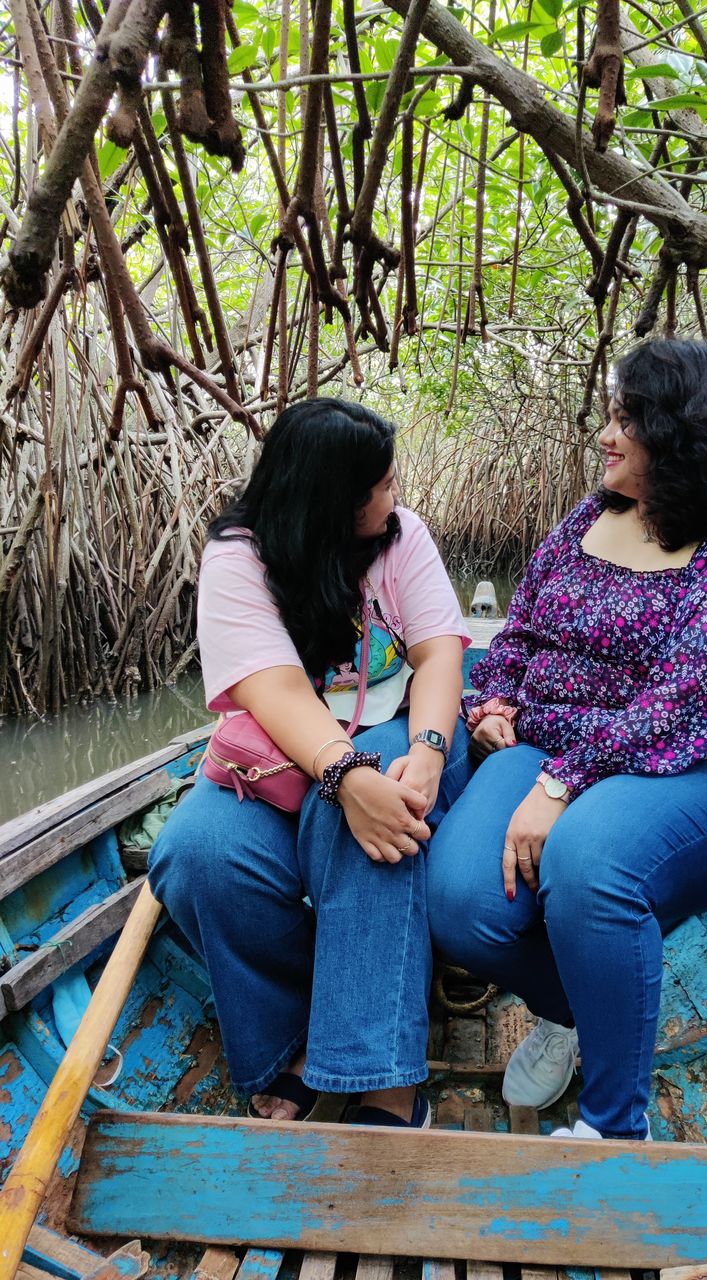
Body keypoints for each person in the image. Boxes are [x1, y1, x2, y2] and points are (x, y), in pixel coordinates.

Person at [427, 340, 707, 1141]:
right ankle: (585, 1007)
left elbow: (678, 706)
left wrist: (561, 784)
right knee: (459, 904)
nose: (606, 433)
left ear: (680, 436)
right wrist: (495, 698)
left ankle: (612, 1126)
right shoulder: (588, 520)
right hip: (550, 745)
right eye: (610, 413)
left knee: (587, 861)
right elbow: (521, 629)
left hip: (706, 769)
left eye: (627, 418)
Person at [149, 398, 472, 1127]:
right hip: (280, 760)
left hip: (400, 734)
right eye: (382, 487)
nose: (396, 499)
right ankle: (294, 1033)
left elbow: (440, 653)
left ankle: (382, 1076)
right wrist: (343, 774)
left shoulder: (402, 537)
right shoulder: (239, 557)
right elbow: (276, 689)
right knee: (195, 856)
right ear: (332, 500)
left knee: (375, 821)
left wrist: (425, 755)